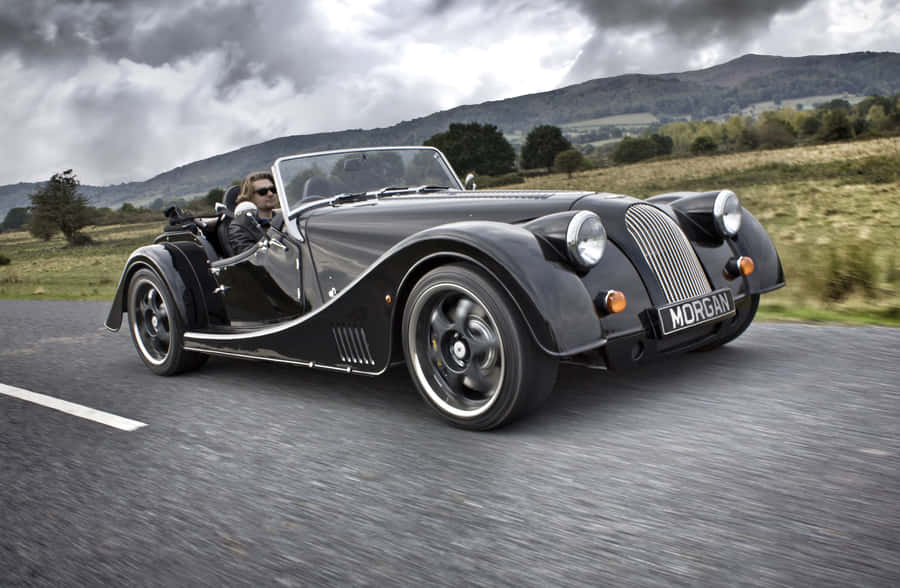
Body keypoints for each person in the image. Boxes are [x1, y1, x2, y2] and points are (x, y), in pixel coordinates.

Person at [227, 171, 284, 254]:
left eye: (273, 189)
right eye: (262, 192)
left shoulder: (284, 218)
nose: (270, 194)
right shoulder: (239, 227)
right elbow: (252, 259)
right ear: (249, 196)